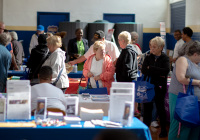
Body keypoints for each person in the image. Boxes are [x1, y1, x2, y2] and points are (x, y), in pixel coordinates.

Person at [168, 41, 200, 140]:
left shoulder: (197, 63)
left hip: (195, 100)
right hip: (182, 98)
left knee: (194, 127)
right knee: (180, 125)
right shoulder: (183, 60)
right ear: (195, 54)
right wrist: (198, 82)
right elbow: (181, 78)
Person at [141, 36, 170, 138]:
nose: (151, 49)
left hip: (160, 87)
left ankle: (163, 130)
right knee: (147, 109)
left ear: (161, 47)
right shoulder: (148, 57)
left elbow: (166, 71)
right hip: (149, 86)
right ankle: (145, 130)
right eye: (151, 47)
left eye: (154, 47)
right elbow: (144, 70)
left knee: (160, 108)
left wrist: (151, 68)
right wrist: (157, 71)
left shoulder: (165, 58)